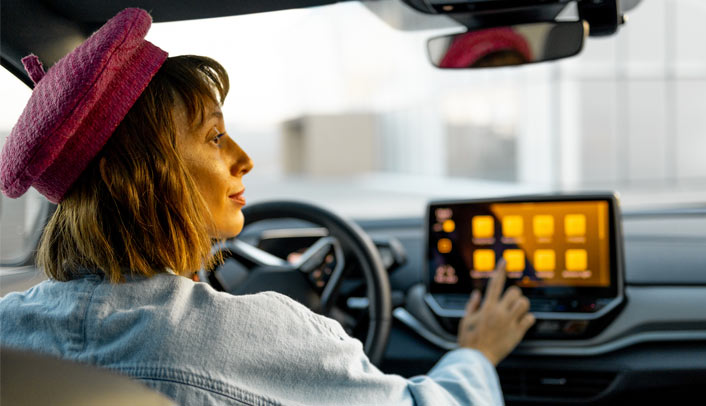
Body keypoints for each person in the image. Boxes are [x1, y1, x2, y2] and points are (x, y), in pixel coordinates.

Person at [0, 8, 535, 406]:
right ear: (148, 174)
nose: (245, 160)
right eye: (214, 138)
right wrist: (477, 355)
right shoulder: (262, 336)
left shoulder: (10, 333)